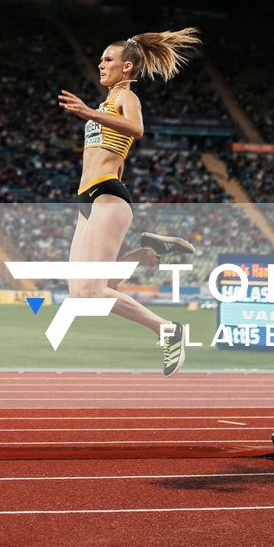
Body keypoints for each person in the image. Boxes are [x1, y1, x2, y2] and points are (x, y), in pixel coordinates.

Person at [54, 28, 203, 375]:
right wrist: (94, 112)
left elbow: (136, 130)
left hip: (108, 194)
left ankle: (167, 329)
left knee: (94, 292)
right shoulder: (107, 103)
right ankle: (151, 252)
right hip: (86, 200)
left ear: (128, 68)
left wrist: (89, 113)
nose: (100, 64)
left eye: (109, 59)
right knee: (81, 295)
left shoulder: (126, 98)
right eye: (101, 58)